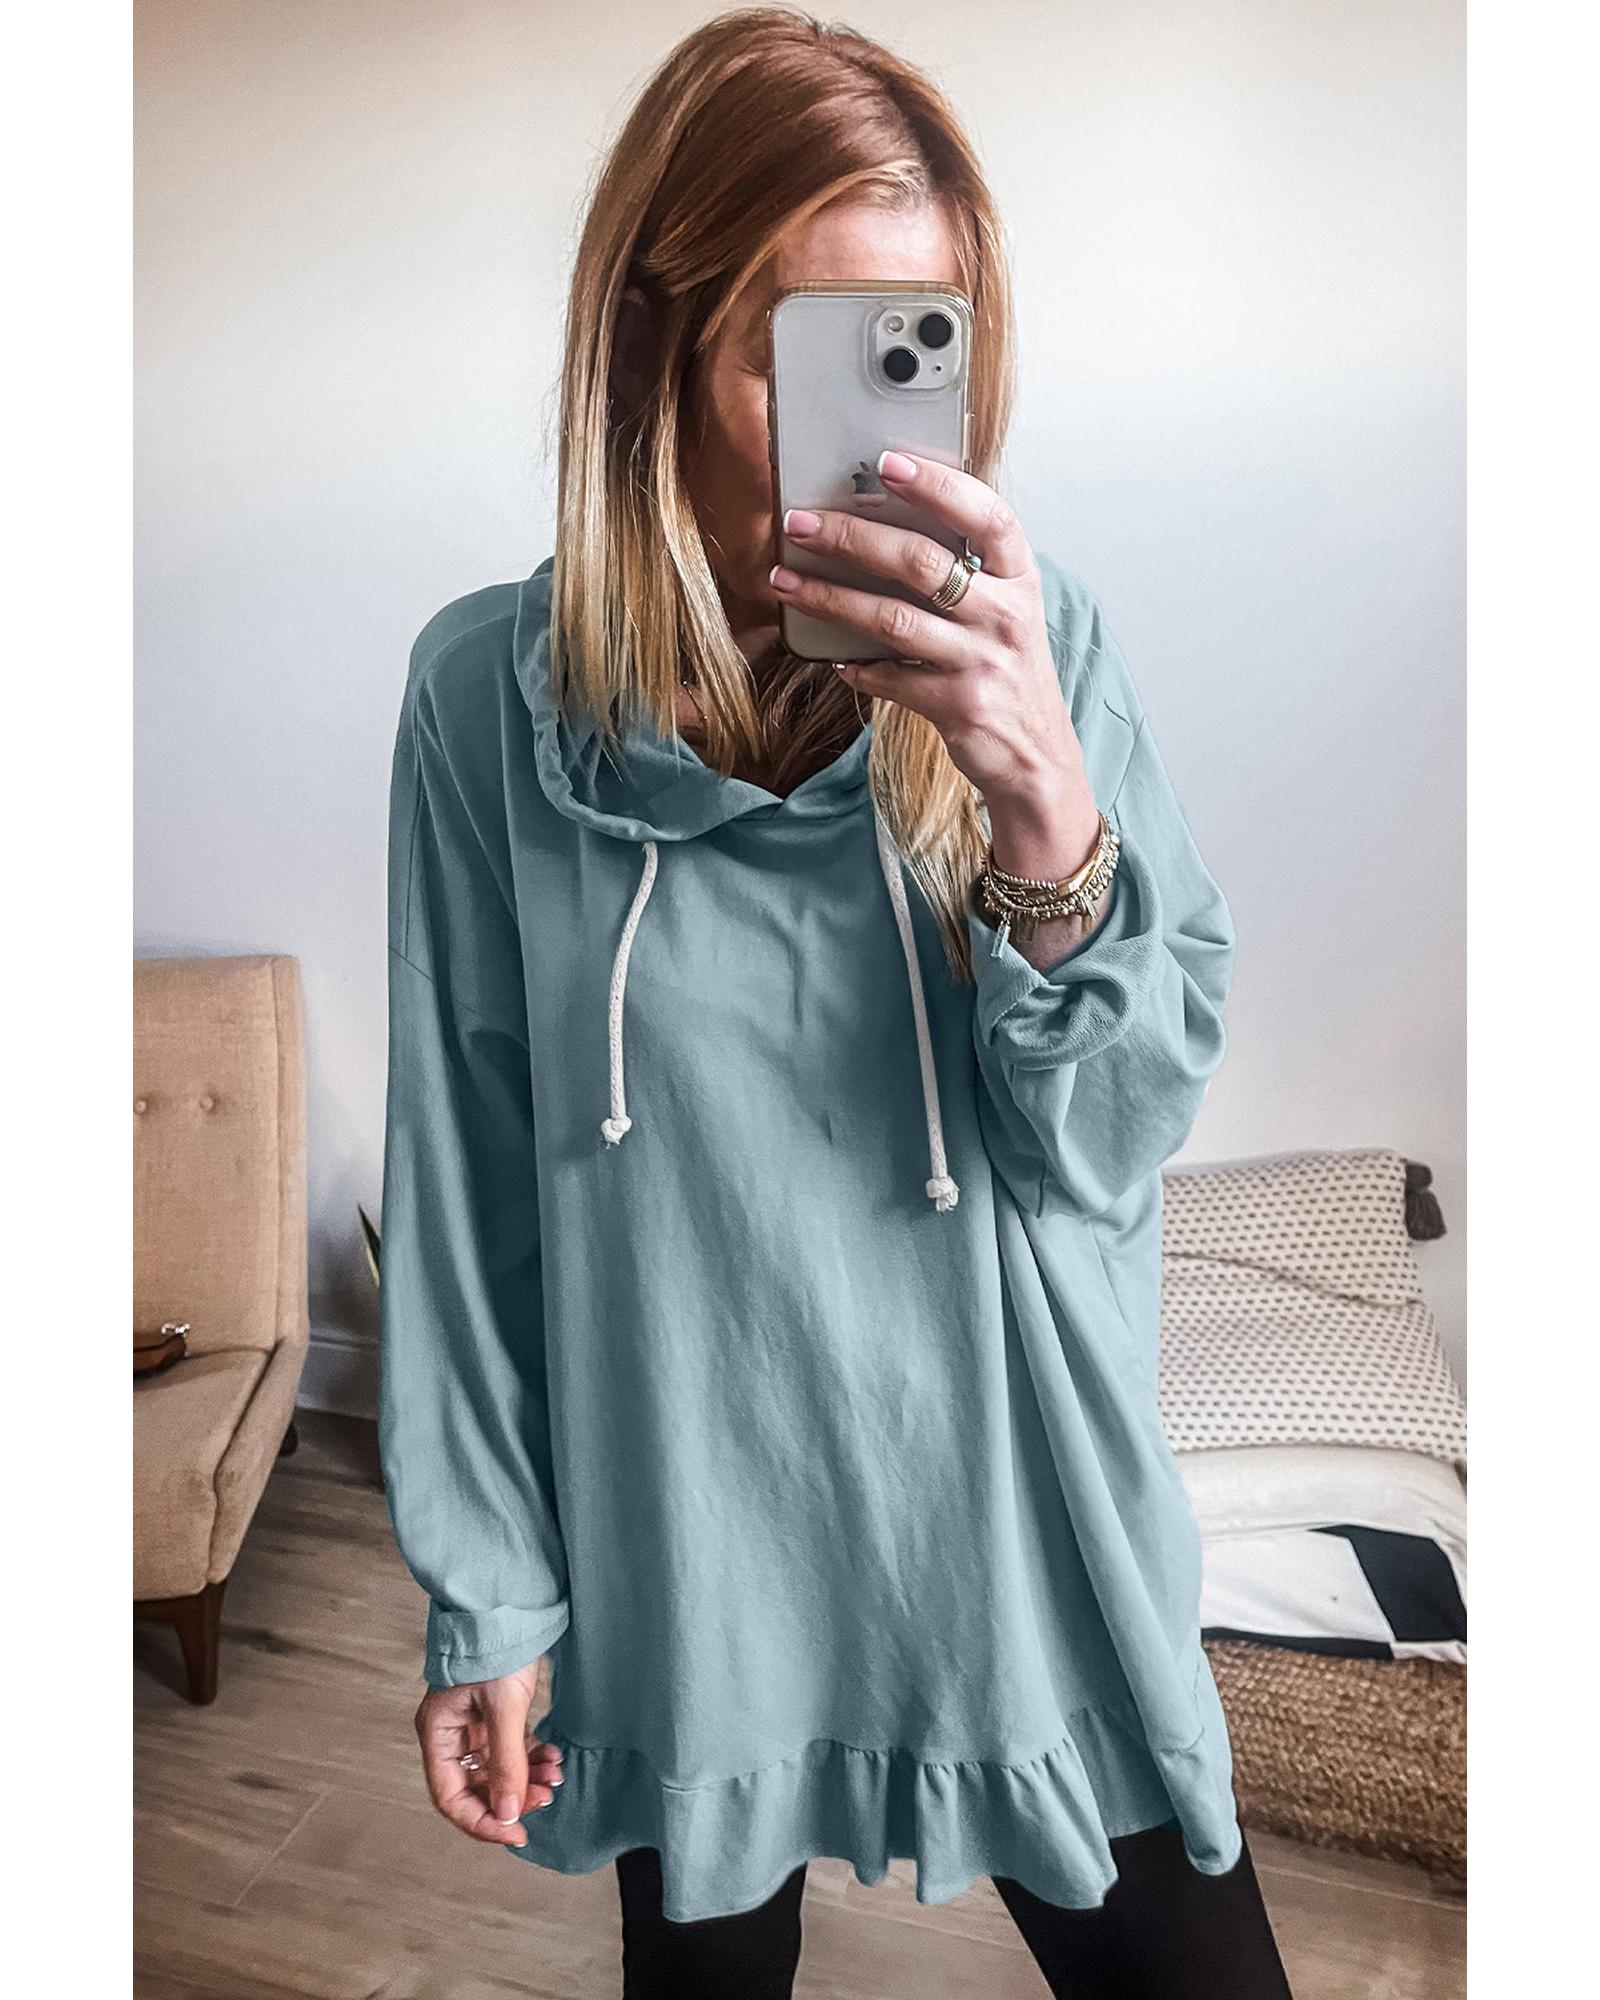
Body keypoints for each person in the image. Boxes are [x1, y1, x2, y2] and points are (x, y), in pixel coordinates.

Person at [378, 9, 1294, 1997]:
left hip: (1021, 1519)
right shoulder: (481, 706)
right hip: (688, 1543)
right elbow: (467, 1183)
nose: (883, 438)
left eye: (919, 342)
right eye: (813, 349)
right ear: (652, 339)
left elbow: (1112, 1141)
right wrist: (489, 1594)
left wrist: (1041, 810)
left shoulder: (1040, 652)